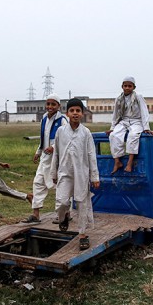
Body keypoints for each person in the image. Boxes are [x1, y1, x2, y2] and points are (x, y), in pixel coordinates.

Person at [50, 98, 100, 250]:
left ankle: (83, 234)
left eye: (78, 111)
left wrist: (94, 177)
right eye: (72, 111)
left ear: (82, 114)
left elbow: (91, 155)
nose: (75, 113)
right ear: (67, 113)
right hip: (64, 172)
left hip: (81, 173)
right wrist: (54, 172)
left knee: (82, 203)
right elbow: (56, 153)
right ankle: (64, 215)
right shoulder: (60, 131)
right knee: (62, 202)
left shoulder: (86, 133)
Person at [22, 94, 67, 223]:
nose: (50, 107)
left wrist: (53, 147)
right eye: (48, 104)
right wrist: (38, 151)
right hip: (45, 157)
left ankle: (64, 214)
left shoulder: (63, 120)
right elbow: (43, 138)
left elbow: (65, 138)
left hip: (58, 158)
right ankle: (35, 215)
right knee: (38, 183)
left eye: (53, 104)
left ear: (58, 106)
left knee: (60, 184)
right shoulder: (44, 119)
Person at [106, 76, 153, 173]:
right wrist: (112, 127)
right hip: (123, 121)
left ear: (133, 87)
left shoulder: (138, 97)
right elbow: (115, 114)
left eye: (129, 86)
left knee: (133, 136)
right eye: (125, 86)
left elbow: (144, 112)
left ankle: (129, 163)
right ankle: (117, 162)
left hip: (136, 121)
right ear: (122, 86)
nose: (127, 88)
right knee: (113, 135)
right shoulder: (119, 99)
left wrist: (146, 127)